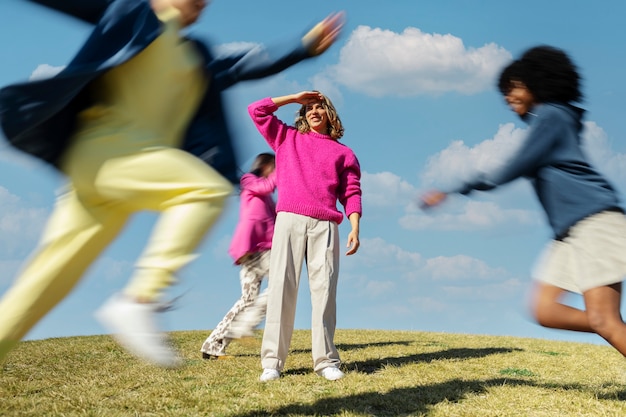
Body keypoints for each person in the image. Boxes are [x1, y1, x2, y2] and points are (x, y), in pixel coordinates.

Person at [0, 0, 345, 368]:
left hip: (115, 175)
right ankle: (141, 299)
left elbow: (244, 65)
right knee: (205, 190)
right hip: (101, 151)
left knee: (47, 281)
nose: (201, 4)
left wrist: (303, 46)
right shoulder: (129, 12)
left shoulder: (196, 54)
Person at [420, 45, 626, 358]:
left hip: (595, 222)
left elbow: (511, 168)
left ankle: (609, 324)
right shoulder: (553, 119)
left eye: (514, 86)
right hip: (571, 233)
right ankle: (609, 324)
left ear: (536, 82)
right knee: (545, 311)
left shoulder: (552, 115)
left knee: (604, 320)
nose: (507, 96)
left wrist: (454, 188)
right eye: (504, 91)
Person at [248, 91, 362, 381]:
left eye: (318, 107)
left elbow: (351, 192)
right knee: (281, 290)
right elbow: (256, 111)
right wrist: (295, 98)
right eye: (308, 108)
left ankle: (325, 361)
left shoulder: (343, 153)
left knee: (324, 291)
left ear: (329, 114)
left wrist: (355, 227)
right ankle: (272, 362)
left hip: (325, 224)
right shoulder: (286, 138)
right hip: (289, 220)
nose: (313, 111)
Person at [200, 153, 277, 359]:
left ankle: (213, 344)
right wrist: (283, 170)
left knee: (248, 298)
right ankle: (244, 325)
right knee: (280, 286)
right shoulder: (249, 181)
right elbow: (266, 186)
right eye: (274, 167)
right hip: (254, 248)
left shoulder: (267, 196)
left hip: (262, 249)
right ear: (266, 165)